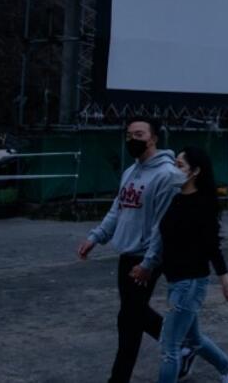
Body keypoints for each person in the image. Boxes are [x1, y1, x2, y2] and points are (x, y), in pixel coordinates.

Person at [78, 117, 183, 383]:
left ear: (154, 138)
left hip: (148, 256)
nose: (132, 140)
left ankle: (119, 378)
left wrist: (149, 263)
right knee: (132, 313)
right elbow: (118, 207)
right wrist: (96, 236)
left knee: (129, 320)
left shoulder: (167, 176)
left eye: (138, 134)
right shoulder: (130, 171)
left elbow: (163, 226)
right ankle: (181, 345)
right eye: (129, 135)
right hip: (127, 254)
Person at [133, 146, 228, 383]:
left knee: (169, 347)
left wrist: (227, 284)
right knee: (192, 339)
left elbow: (212, 247)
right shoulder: (175, 199)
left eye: (179, 165)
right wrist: (148, 265)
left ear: (195, 172)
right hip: (175, 280)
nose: (173, 169)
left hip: (190, 283)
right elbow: (161, 237)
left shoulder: (203, 205)